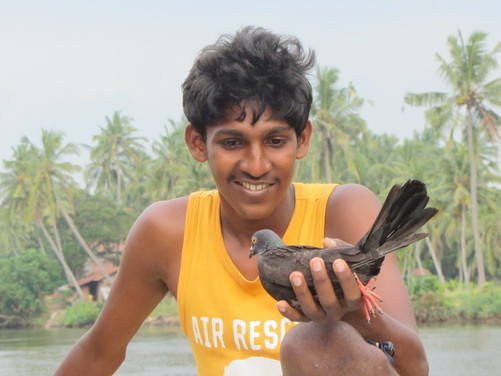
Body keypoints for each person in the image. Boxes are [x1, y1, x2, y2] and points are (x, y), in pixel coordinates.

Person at [55, 27, 428, 376]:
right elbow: (100, 351)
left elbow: (415, 366)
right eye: (233, 142)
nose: (255, 165)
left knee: (312, 341)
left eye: (275, 141)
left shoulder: (344, 210)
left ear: (302, 140)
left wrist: (355, 314)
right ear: (198, 144)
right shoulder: (166, 232)